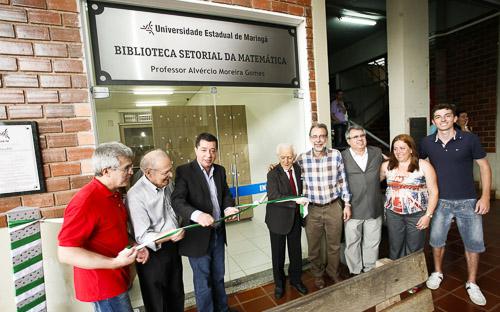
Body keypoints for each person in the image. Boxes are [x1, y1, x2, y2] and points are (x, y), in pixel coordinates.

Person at [57, 142, 149, 312]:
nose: (131, 172)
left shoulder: (114, 194)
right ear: (106, 171)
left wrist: (135, 245)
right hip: (103, 287)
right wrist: (114, 262)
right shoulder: (85, 201)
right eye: (126, 168)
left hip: (118, 279)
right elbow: (66, 253)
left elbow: (115, 232)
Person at [421, 103, 491, 306]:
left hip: (468, 201)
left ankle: (472, 283)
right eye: (438, 117)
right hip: (439, 202)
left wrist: (485, 196)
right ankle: (437, 272)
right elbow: (419, 166)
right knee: (436, 241)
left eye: (447, 116)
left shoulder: (469, 139)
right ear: (433, 121)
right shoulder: (426, 142)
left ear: (454, 119)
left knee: (474, 244)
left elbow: (484, 167)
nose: (442, 119)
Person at [171, 133, 239, 312]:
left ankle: (222, 309)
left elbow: (225, 195)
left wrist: (228, 208)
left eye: (212, 150)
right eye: (203, 150)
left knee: (218, 276)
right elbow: (177, 201)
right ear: (195, 150)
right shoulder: (184, 171)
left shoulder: (220, 170)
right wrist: (197, 214)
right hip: (197, 237)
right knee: (203, 282)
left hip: (217, 232)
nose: (208, 155)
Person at [127, 150, 185, 312]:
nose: (171, 175)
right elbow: (142, 236)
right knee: (157, 302)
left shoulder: (167, 184)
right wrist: (169, 234)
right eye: (166, 172)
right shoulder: (136, 196)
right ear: (149, 173)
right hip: (151, 255)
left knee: (176, 295)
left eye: (170, 169)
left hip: (172, 248)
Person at [296, 123, 351, 289]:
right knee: (314, 247)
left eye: (322, 136)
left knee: (334, 245)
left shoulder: (336, 155)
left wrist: (347, 204)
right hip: (311, 209)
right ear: (310, 138)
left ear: (326, 138)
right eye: (315, 136)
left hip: (334, 206)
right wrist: (273, 167)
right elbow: (287, 171)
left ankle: (333, 273)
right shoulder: (302, 159)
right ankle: (318, 275)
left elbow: (343, 181)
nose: (318, 140)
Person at [380, 134, 438, 260]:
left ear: (411, 149)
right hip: (393, 214)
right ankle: (398, 277)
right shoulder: (387, 166)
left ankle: (414, 277)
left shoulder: (423, 165)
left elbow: (434, 192)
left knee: (414, 248)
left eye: (402, 148)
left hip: (417, 214)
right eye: (395, 149)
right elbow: (372, 182)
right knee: (395, 247)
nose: (398, 152)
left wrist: (428, 215)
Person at [266, 143, 308, 299]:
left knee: (295, 252)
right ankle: (279, 283)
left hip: (295, 218)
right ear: (278, 157)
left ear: (294, 156)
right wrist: (295, 201)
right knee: (278, 255)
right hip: (277, 220)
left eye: (289, 157)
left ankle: (296, 280)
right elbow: (274, 196)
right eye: (283, 157)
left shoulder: (297, 168)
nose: (286, 160)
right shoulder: (272, 174)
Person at [341, 126, 384, 275]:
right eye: (355, 137)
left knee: (372, 241)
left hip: (374, 205)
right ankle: (355, 271)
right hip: (352, 207)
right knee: (352, 242)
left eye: (362, 136)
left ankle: (369, 269)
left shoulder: (376, 152)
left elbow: (392, 162)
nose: (360, 139)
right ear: (348, 141)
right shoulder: (341, 156)